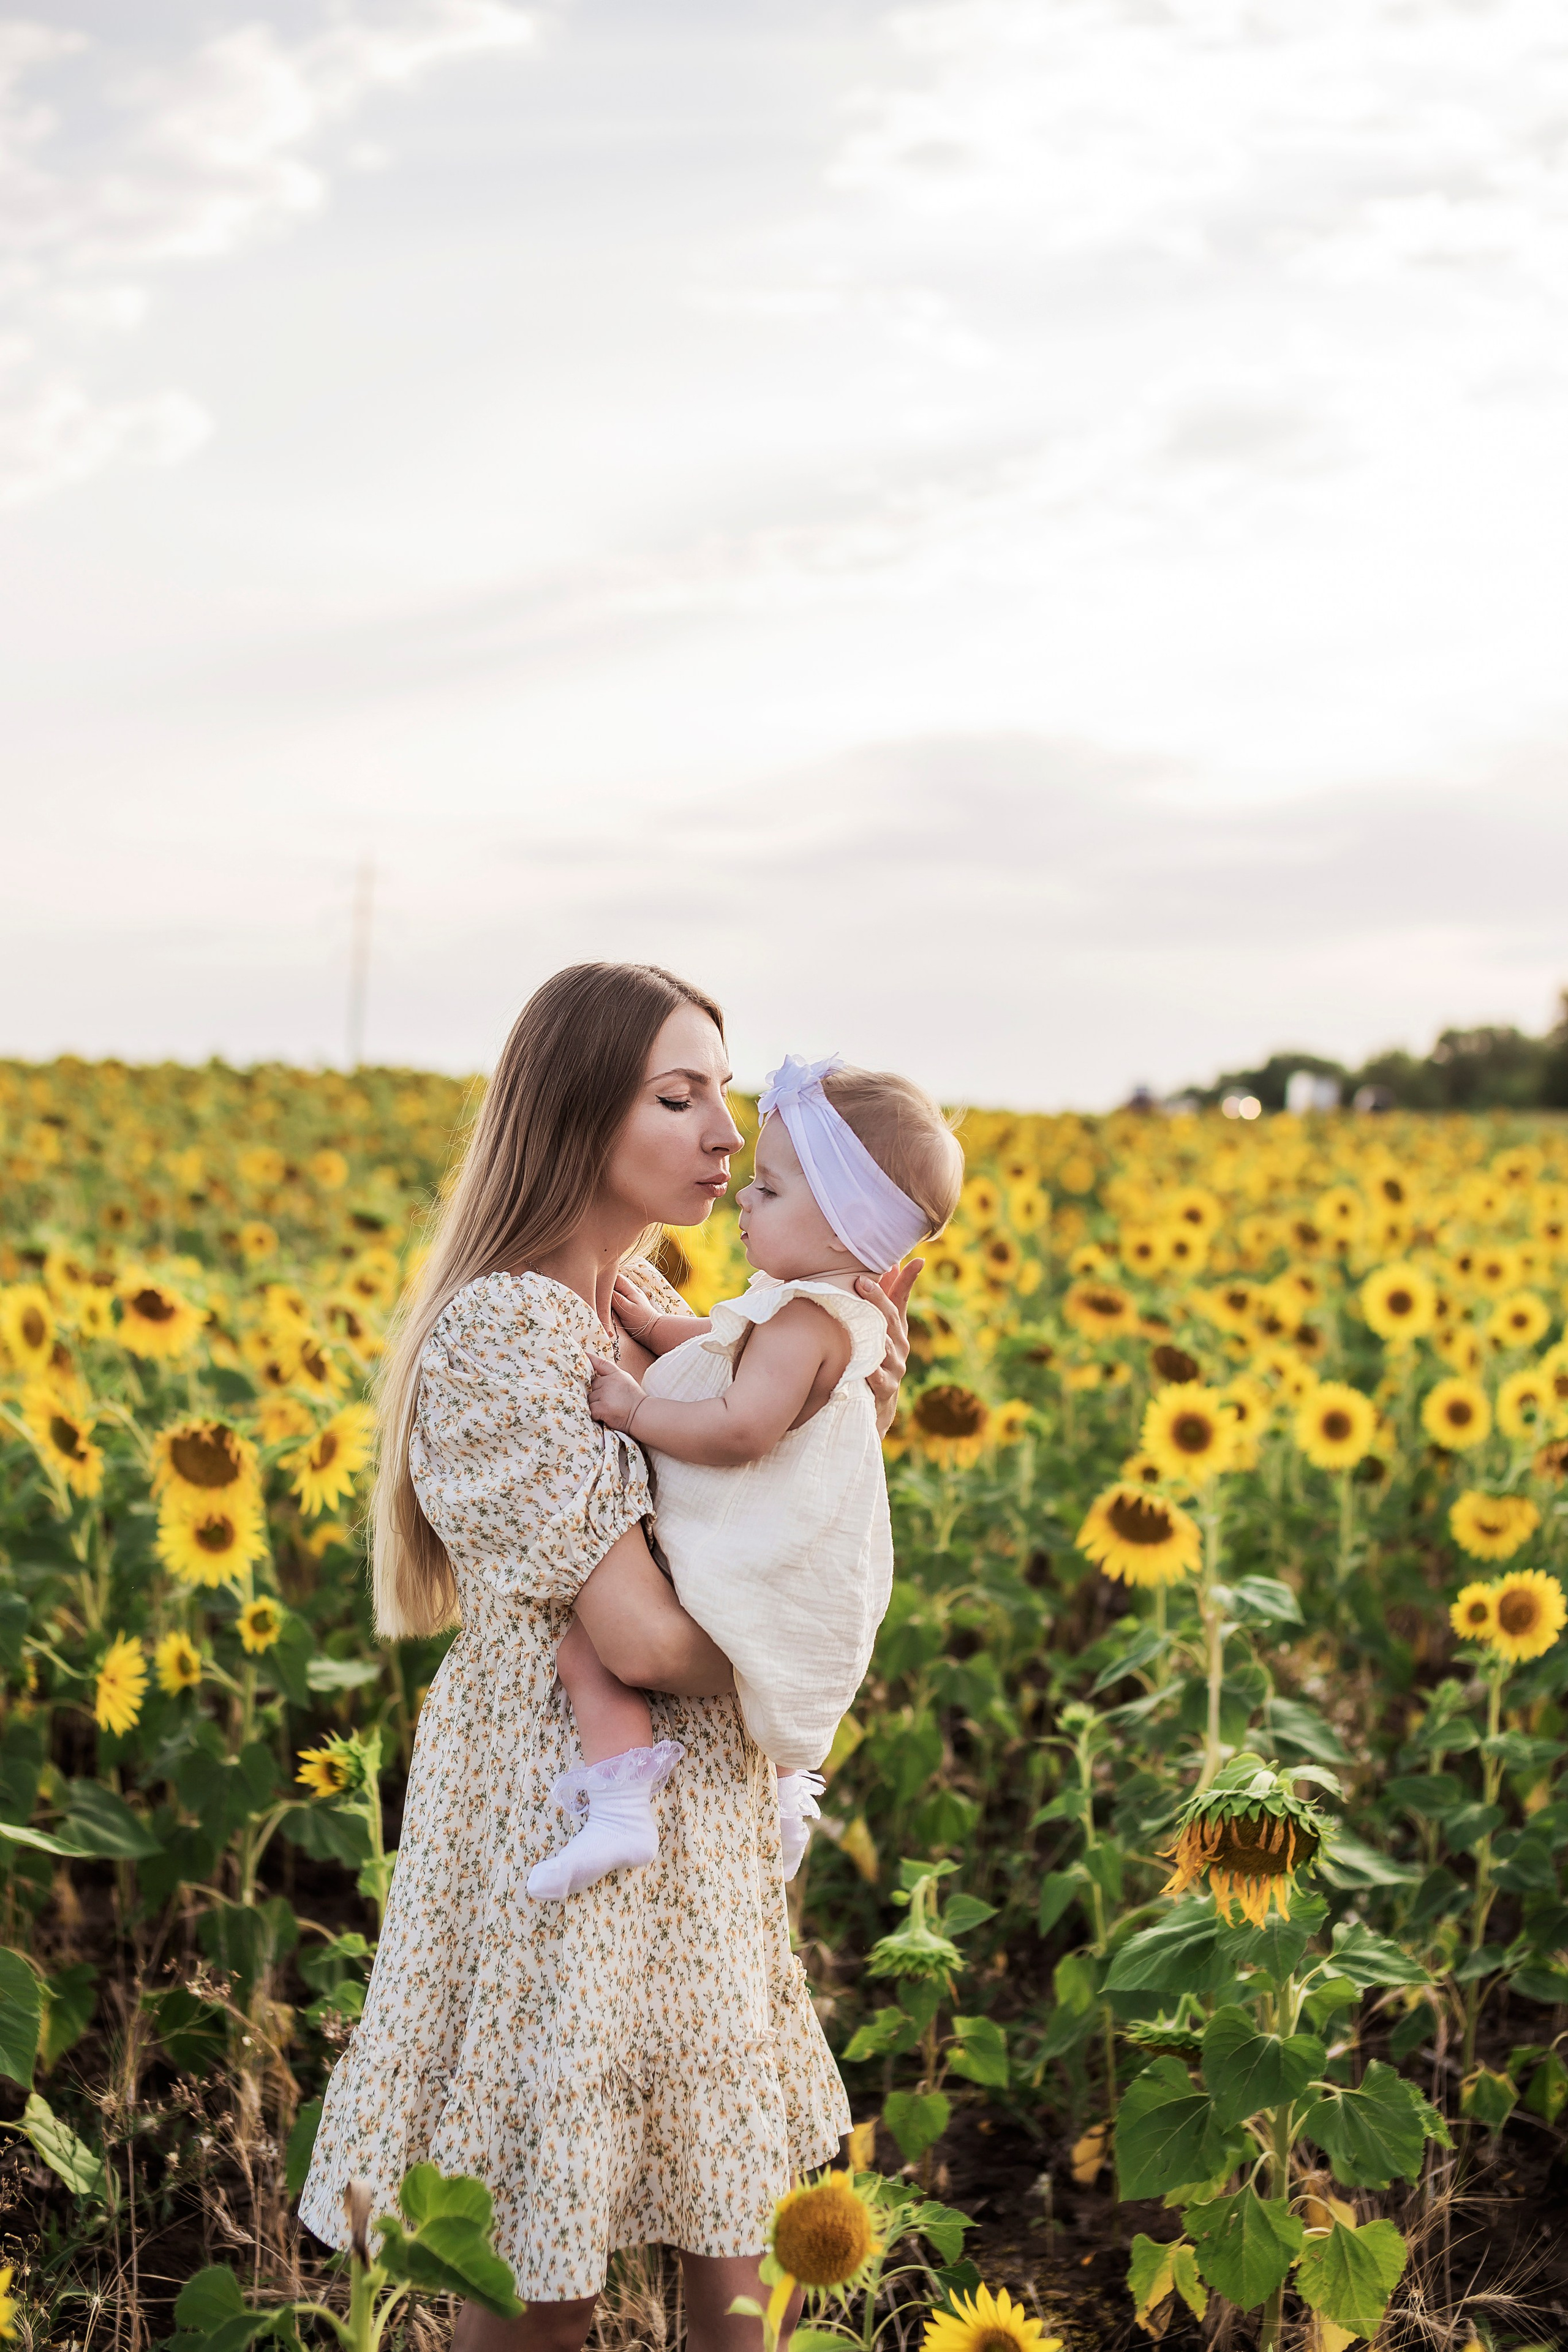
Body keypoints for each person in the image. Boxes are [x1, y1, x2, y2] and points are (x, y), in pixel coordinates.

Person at [298, 964, 918, 2352]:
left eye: (724, 1091)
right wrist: (810, 1650)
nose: (722, 1133)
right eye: (676, 1094)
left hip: (674, 1801)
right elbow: (637, 1636)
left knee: (726, 2206)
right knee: (542, 2247)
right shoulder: (509, 1326)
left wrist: (835, 1420)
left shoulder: (637, 1292)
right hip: (562, 1805)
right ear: (579, 1112)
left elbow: (750, 1500)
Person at [527, 1053, 962, 1901]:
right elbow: (726, 1352)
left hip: (740, 1560)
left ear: (841, 1231)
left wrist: (633, 1411)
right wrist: (654, 1322)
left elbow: (741, 1423)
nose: (743, 1199)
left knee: (589, 1655)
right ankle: (785, 1788)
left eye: (769, 1188)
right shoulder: (799, 1310)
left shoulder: (806, 1321)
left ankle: (622, 1810)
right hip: (755, 1559)